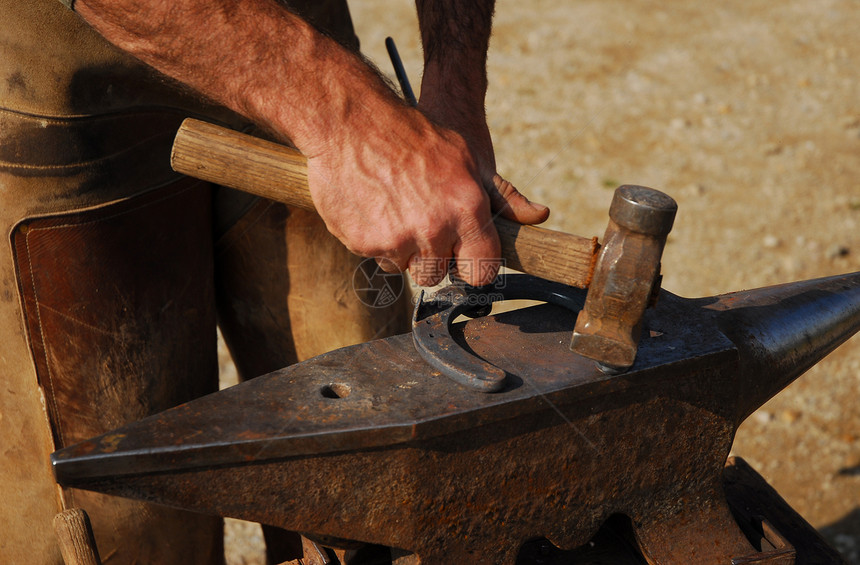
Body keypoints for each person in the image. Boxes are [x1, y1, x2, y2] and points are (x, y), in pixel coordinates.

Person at [0, 0, 549, 563]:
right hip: (68, 78)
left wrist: (453, 88)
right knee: (127, 524)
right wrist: (347, 119)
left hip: (302, 37)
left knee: (370, 489)